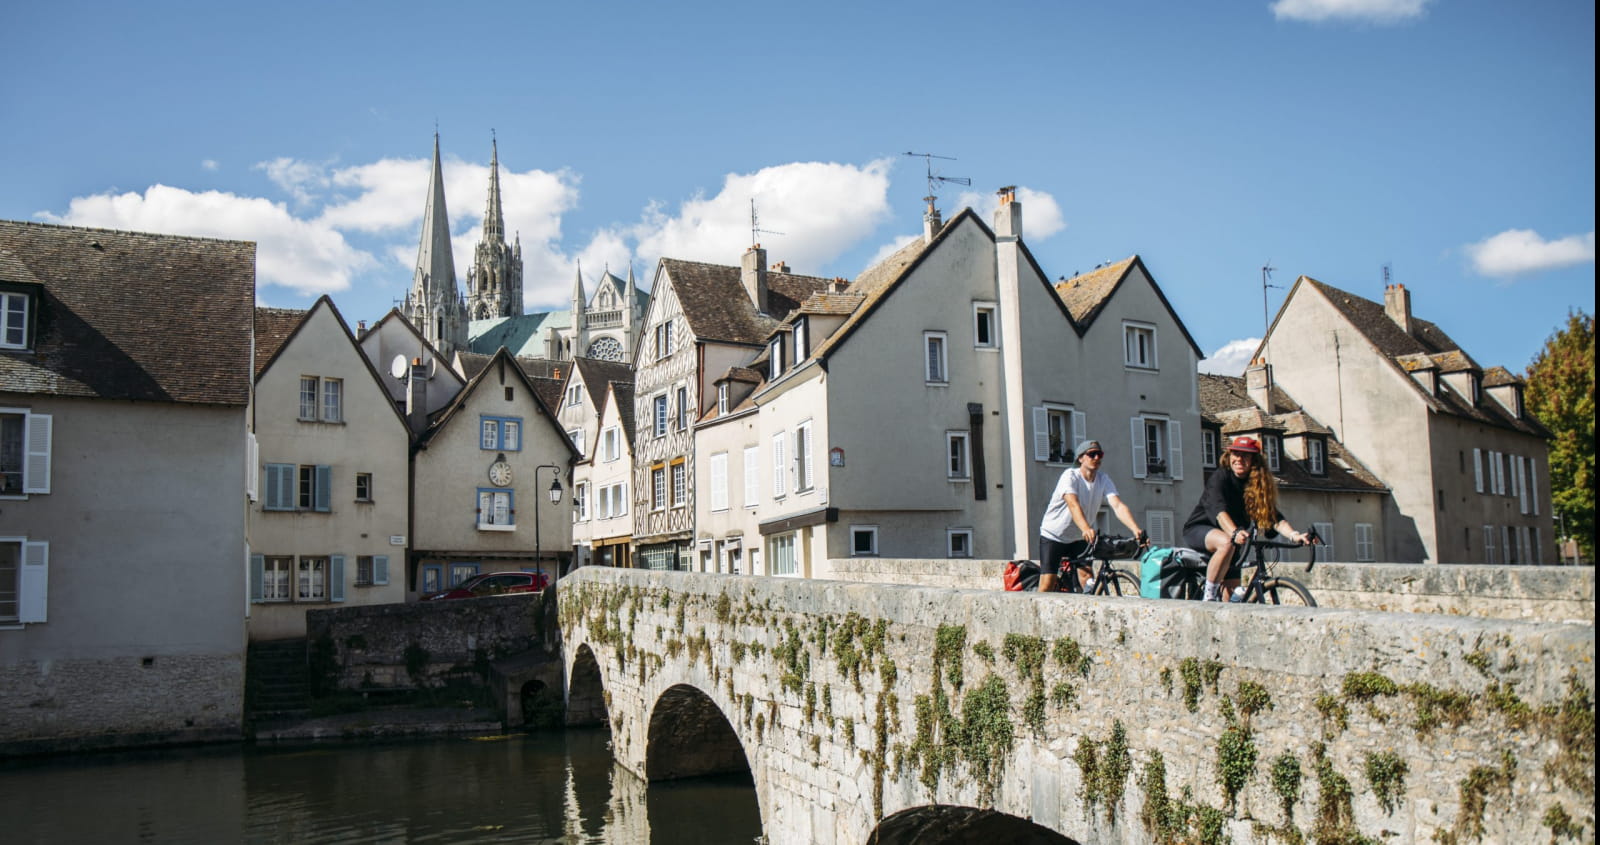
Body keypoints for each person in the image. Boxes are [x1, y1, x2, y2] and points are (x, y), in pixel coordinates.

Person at [1181, 435, 1312, 601]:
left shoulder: (1256, 484)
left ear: (1254, 460)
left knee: (1232, 602)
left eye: (1245, 455)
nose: (1239, 459)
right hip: (1201, 529)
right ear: (1229, 456)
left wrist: (1295, 536)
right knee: (1226, 542)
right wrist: (1234, 532)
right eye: (1235, 454)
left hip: (1235, 543)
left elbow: (1273, 516)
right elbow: (1219, 512)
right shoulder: (1221, 477)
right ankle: (1209, 597)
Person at [1037, 439, 1147, 593]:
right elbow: (1073, 504)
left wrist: (1136, 529)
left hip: (1079, 538)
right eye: (1092, 454)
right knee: (1047, 584)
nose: (1096, 458)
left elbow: (1117, 505)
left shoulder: (1103, 479)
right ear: (1080, 458)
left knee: (1087, 577)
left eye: (1099, 454)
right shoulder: (1070, 476)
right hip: (1055, 535)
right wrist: (1086, 528)